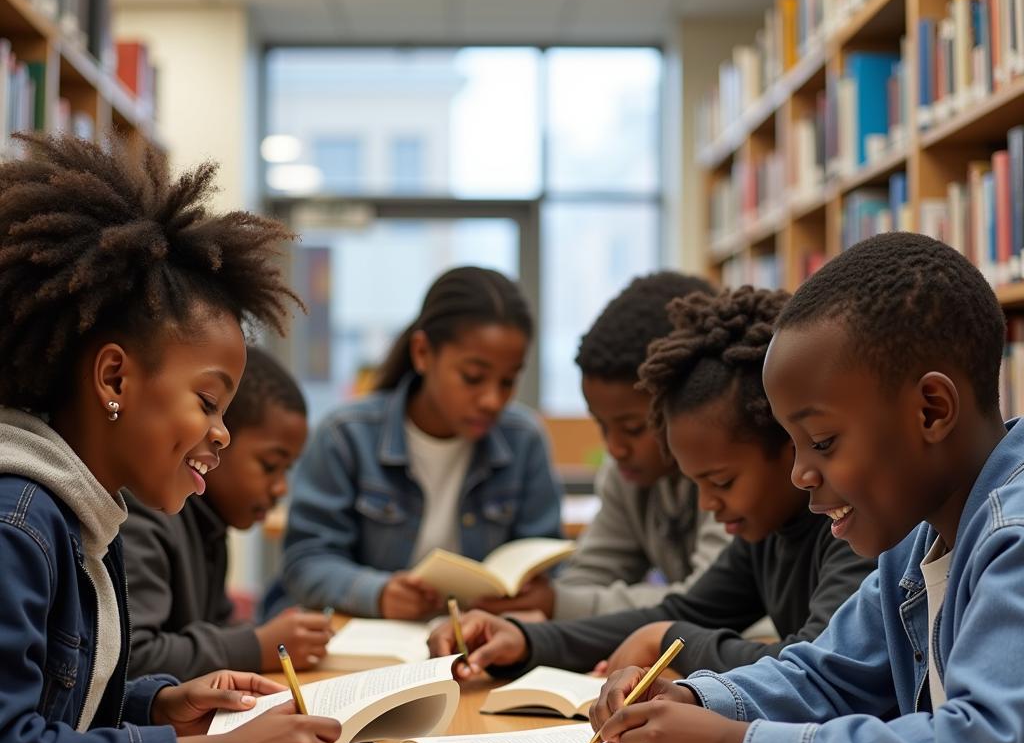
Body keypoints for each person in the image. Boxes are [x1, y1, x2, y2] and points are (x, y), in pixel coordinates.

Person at [593, 232, 1024, 743]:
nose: (801, 474)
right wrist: (694, 696)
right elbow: (826, 674)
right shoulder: (917, 543)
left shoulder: (1012, 534)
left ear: (931, 409)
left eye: (821, 440)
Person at [0, 133, 344, 743]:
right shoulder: (18, 521)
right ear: (114, 377)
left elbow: (60, 709)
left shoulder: (85, 511)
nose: (222, 435)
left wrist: (161, 707)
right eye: (208, 400)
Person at [428, 285, 875, 680]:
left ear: (788, 444)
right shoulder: (766, 534)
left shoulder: (856, 525)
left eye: (720, 481)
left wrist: (668, 639)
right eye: (696, 483)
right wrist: (527, 639)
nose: (707, 504)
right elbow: (681, 611)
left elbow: (811, 663)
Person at [279, 265, 563, 620]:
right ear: (423, 353)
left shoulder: (525, 441)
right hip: (375, 643)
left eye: (507, 382)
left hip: (479, 645)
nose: (492, 400)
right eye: (473, 377)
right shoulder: (347, 435)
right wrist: (379, 593)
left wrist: (531, 596)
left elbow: (544, 566)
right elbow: (305, 562)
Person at [475, 271, 730, 621]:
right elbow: (591, 575)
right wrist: (540, 614)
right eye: (601, 425)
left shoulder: (733, 476)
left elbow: (710, 601)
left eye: (632, 427)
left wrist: (559, 604)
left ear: (689, 403)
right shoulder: (626, 473)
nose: (614, 448)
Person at [123, 346, 331, 681]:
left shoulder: (209, 523)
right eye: (269, 466)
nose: (280, 489)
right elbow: (134, 657)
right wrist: (257, 646)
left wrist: (272, 635)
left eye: (286, 471)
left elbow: (217, 623)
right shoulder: (145, 513)